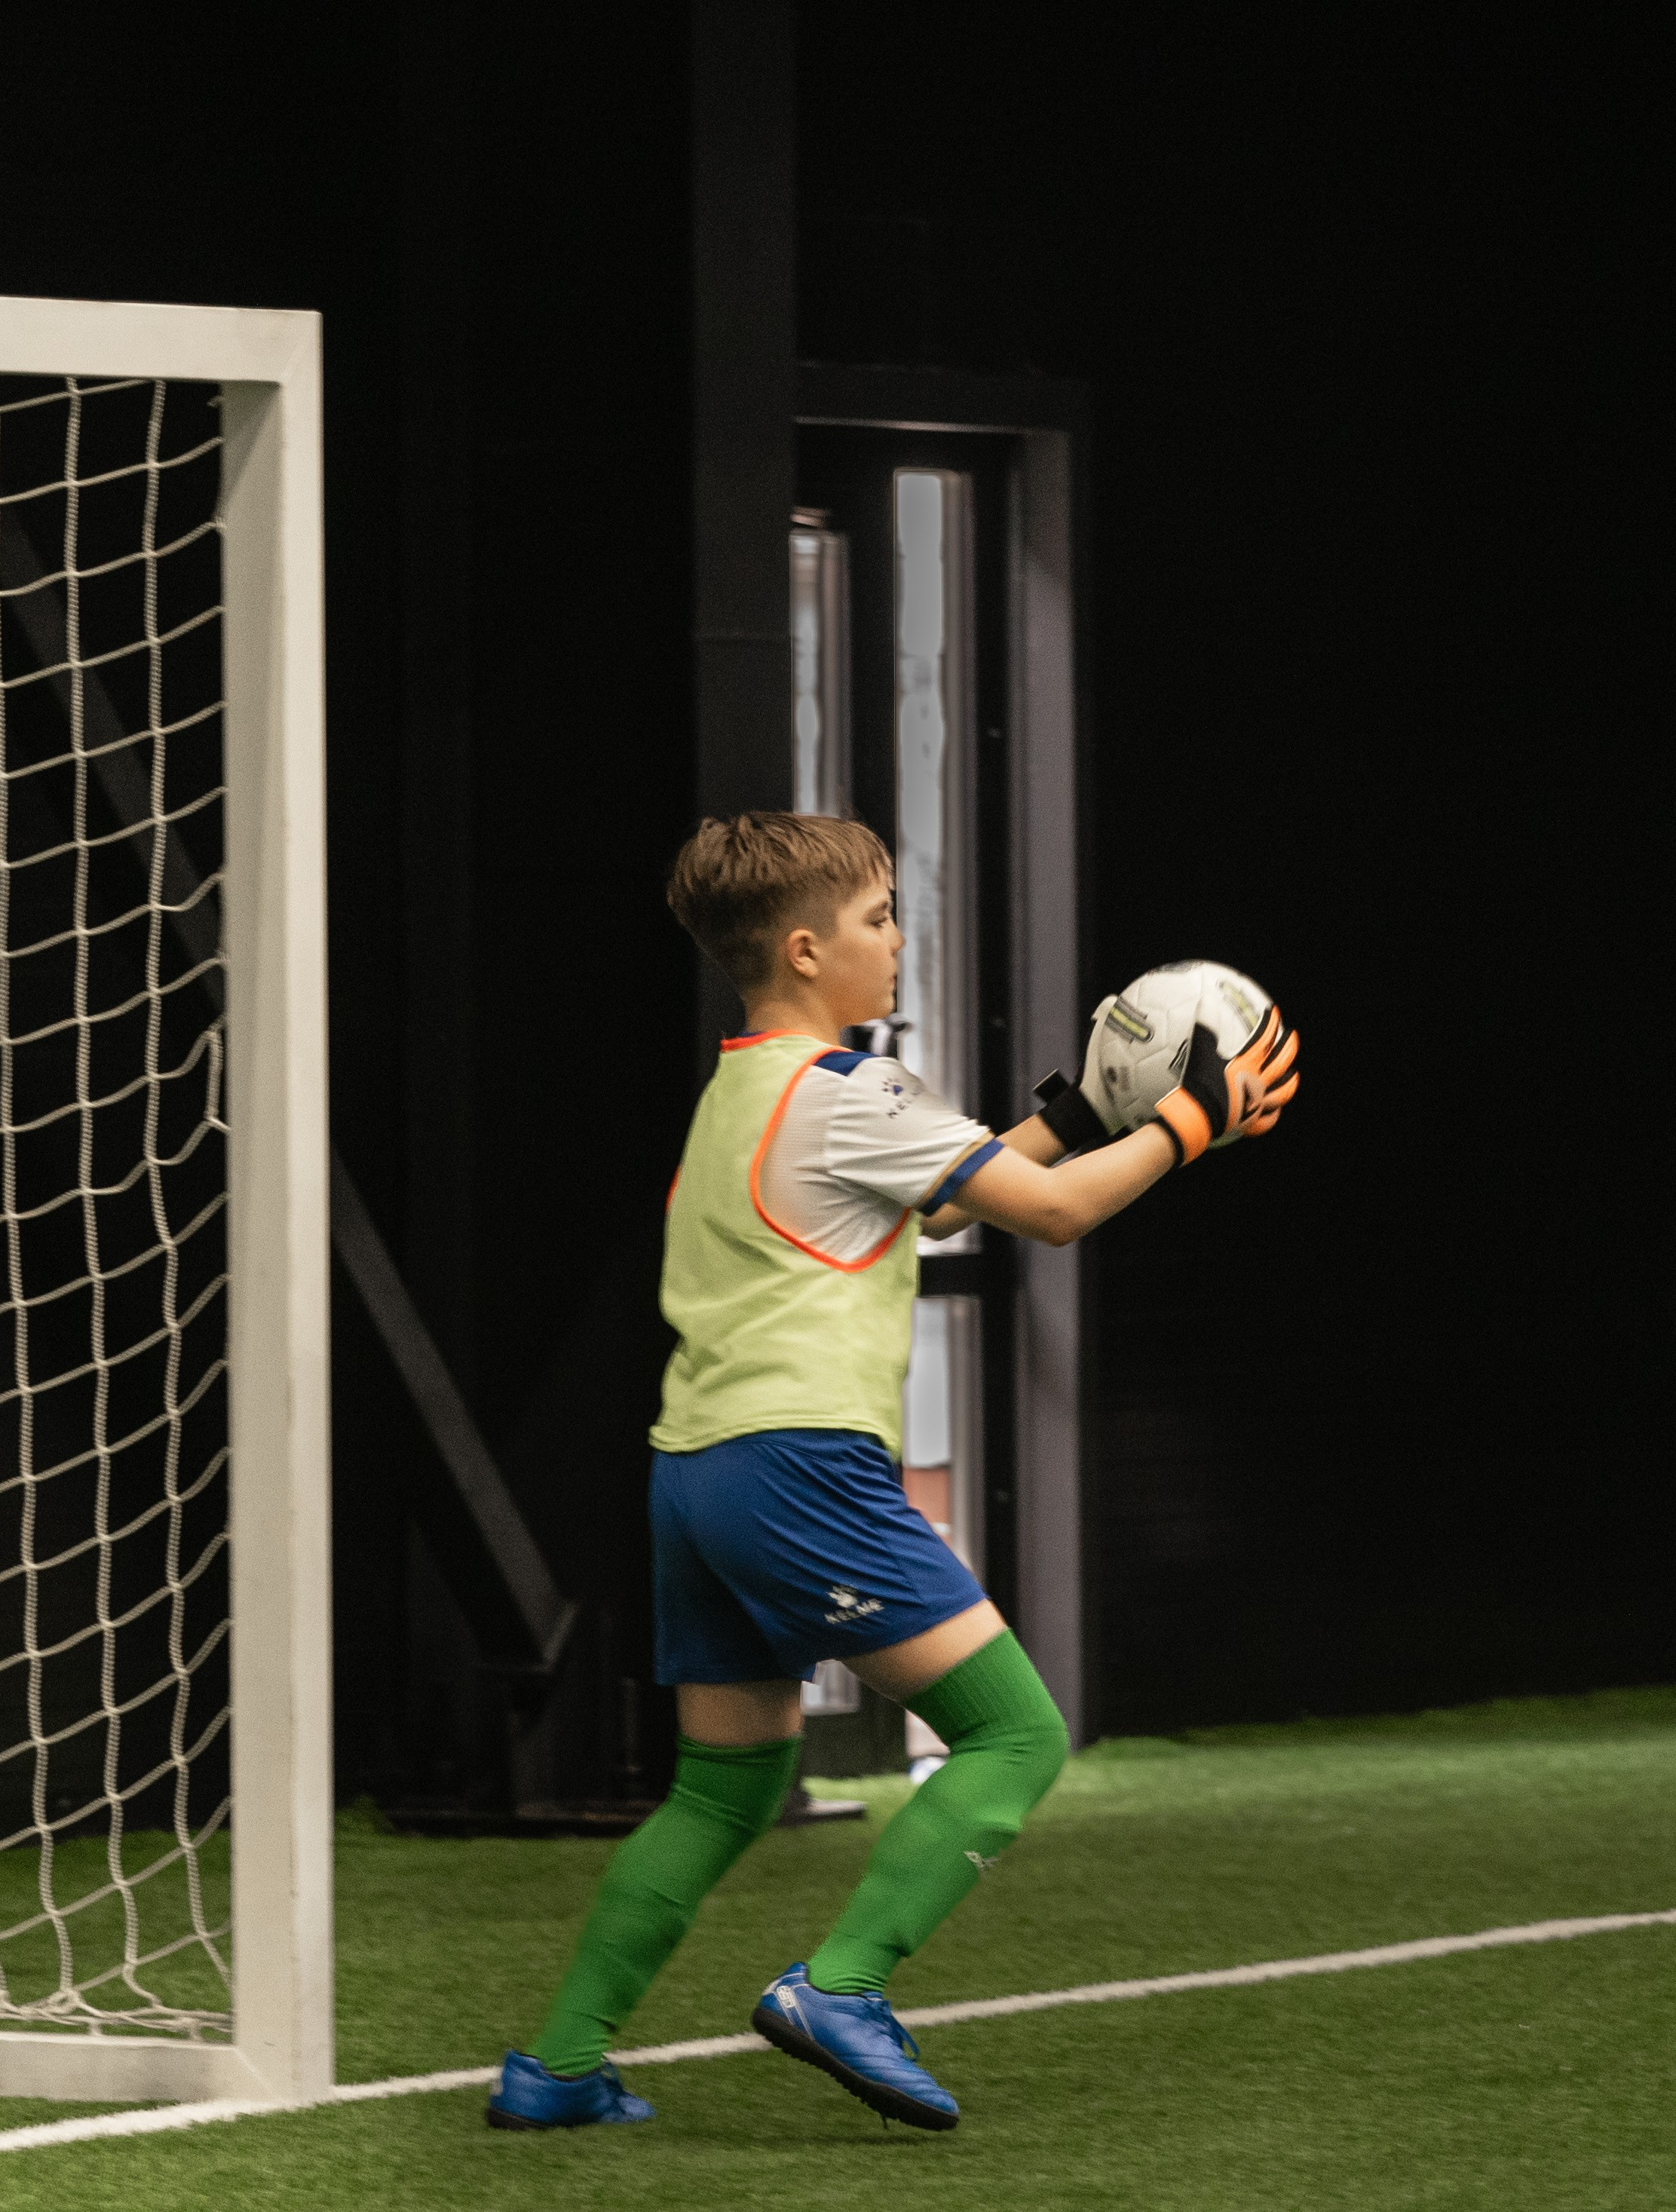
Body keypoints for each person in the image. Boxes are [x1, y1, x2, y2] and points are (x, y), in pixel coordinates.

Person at [487, 813, 1298, 2134]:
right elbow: (1052, 1213)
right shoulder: (848, 1092)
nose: (896, 939)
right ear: (806, 950)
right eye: (875, 918)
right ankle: (841, 1986)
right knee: (1015, 1735)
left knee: (723, 1787)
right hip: (798, 1467)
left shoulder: (746, 1089)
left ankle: (558, 2066)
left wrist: (1081, 1111)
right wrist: (1192, 1119)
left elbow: (935, 1195)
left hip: (694, 1473)